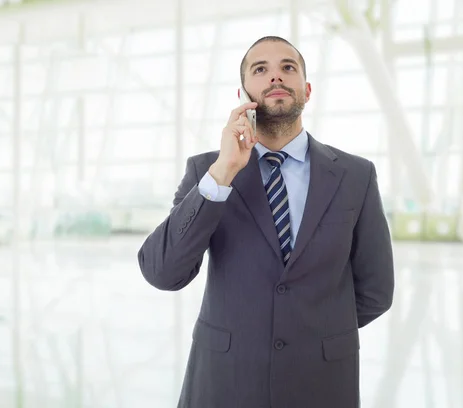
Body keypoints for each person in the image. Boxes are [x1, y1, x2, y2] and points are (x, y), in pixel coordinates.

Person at [137, 36, 394, 408]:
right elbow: (163, 272)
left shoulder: (355, 175)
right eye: (261, 69)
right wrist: (222, 173)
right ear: (243, 94)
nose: (276, 77)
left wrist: (315, 334)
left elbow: (376, 289)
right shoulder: (207, 170)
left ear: (306, 89)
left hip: (322, 383)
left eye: (288, 67)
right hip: (225, 381)